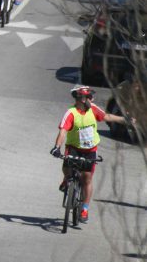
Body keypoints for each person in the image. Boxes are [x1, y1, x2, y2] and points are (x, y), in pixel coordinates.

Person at [50, 86, 130, 222]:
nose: (91, 99)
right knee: (67, 165)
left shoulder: (93, 109)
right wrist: (57, 147)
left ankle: (85, 208)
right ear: (80, 99)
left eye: (91, 97)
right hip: (74, 147)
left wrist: (124, 119)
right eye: (88, 97)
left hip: (90, 150)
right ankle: (66, 179)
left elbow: (107, 116)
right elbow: (63, 130)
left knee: (87, 179)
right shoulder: (71, 113)